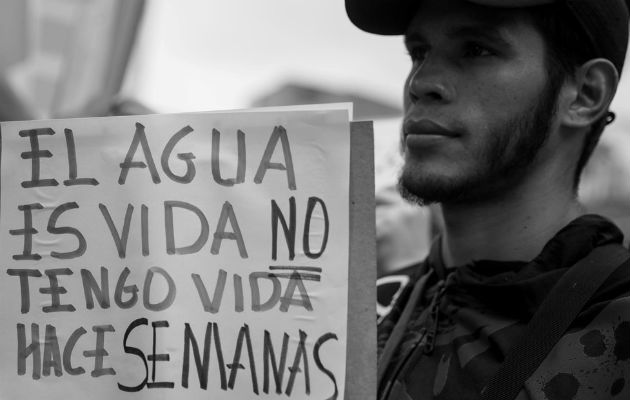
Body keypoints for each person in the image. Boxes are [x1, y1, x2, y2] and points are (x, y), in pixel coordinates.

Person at [346, 0, 630, 399]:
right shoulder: (361, 312)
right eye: (419, 53)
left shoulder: (613, 328)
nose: (421, 82)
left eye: (476, 49)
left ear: (585, 94)